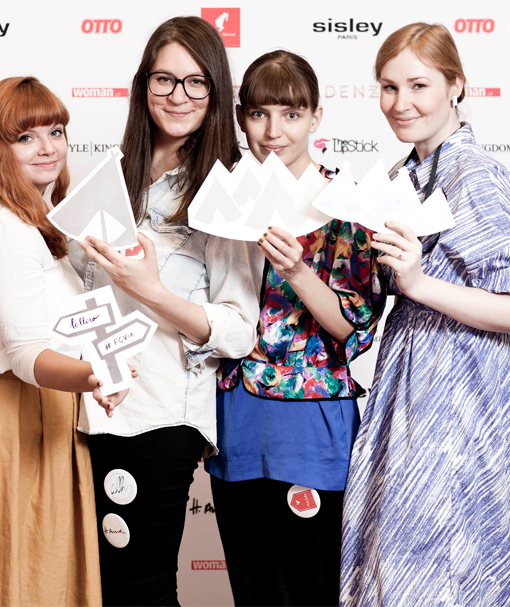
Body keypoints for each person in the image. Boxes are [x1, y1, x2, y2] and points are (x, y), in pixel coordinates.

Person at [340, 23, 510, 606]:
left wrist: (418, 283)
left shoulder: (475, 174)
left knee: (443, 579)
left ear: (455, 86)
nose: (400, 103)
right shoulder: (402, 177)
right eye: (388, 87)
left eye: (419, 85)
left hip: (464, 400)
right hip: (407, 390)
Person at [73, 16, 262, 606]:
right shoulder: (112, 175)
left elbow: (239, 329)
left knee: (142, 589)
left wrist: (151, 291)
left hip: (159, 416)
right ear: (143, 85)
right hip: (88, 410)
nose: (178, 95)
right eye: (164, 79)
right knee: (103, 590)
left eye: (195, 82)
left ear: (216, 91)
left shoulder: (224, 190)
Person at [0, 76, 122, 607]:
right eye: (25, 137)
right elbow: (26, 355)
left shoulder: (26, 218)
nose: (47, 148)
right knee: (13, 584)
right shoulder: (5, 225)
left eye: (55, 132)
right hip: (12, 422)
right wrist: (95, 376)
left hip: (38, 418)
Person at [203, 50, 386, 606]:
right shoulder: (224, 201)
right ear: (242, 119)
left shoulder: (347, 205)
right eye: (259, 114)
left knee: (310, 587)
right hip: (236, 414)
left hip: (312, 420)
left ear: (315, 118)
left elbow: (354, 330)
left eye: (290, 114)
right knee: (251, 589)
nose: (273, 131)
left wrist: (298, 271)